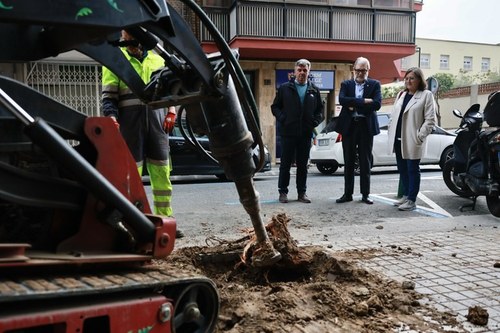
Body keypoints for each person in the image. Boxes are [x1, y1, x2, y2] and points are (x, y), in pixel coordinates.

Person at [101, 30, 184, 237]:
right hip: (130, 126)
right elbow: (109, 98)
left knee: (162, 176)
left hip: (157, 125)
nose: (126, 42)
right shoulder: (115, 62)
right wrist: (111, 117)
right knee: (131, 178)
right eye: (124, 38)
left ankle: (167, 222)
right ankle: (133, 224)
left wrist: (172, 111)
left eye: (130, 38)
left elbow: (170, 91)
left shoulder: (158, 59)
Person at [271, 58, 324, 203]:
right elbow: (275, 107)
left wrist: (315, 121)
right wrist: (283, 118)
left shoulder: (314, 90)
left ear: (309, 72)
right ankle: (283, 192)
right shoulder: (284, 88)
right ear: (294, 72)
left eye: (305, 70)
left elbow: (320, 110)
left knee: (302, 166)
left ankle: (302, 193)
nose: (302, 72)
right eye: (299, 70)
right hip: (288, 133)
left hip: (305, 134)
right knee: (285, 165)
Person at [387, 67, 436, 211]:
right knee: (402, 169)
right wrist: (391, 129)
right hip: (398, 137)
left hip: (412, 139)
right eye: (406, 78)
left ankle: (411, 199)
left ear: (419, 80)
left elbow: (430, 119)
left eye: (412, 78)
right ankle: (406, 195)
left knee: (412, 169)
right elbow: (394, 115)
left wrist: (419, 136)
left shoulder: (426, 95)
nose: (408, 81)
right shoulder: (401, 94)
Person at [334, 57, 381, 205]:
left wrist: (353, 103)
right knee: (348, 161)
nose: (360, 73)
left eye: (364, 70)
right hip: (349, 127)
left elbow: (377, 104)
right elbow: (342, 100)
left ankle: (365, 194)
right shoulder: (346, 84)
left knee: (365, 161)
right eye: (358, 70)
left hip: (366, 127)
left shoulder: (375, 84)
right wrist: (364, 101)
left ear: (368, 70)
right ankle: (347, 194)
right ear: (353, 70)